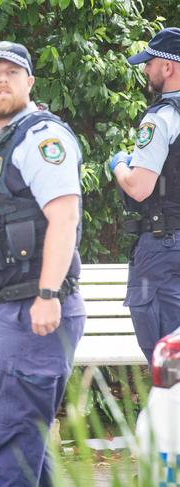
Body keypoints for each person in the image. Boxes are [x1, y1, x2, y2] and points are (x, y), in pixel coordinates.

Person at [0, 41, 86, 486]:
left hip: (36, 310)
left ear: (29, 81)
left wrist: (48, 294)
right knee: (28, 439)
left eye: (12, 71)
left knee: (15, 443)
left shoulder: (43, 139)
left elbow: (64, 218)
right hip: (3, 309)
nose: (2, 79)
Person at [109, 27, 180, 364]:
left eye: (150, 62)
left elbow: (139, 187)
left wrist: (120, 164)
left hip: (163, 245)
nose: (145, 70)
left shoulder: (161, 118)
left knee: (166, 362)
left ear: (168, 67)